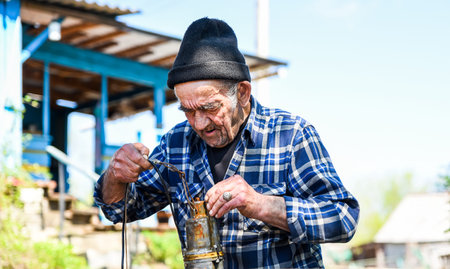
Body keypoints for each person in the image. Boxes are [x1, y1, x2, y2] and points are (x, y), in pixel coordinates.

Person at [94, 17, 359, 268]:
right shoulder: (175, 144)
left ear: (242, 93)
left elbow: (343, 219)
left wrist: (261, 204)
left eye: (209, 107)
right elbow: (120, 210)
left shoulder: (290, 135)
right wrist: (115, 176)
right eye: (187, 110)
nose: (198, 123)